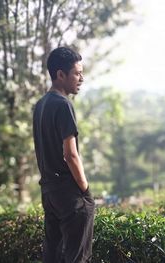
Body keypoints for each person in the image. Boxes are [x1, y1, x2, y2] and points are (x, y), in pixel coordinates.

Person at [33, 47, 95, 263]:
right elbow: (71, 155)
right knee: (77, 258)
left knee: (53, 257)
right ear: (60, 75)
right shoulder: (63, 105)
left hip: (49, 193)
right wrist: (85, 190)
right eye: (77, 73)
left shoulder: (40, 106)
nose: (81, 79)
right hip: (69, 195)